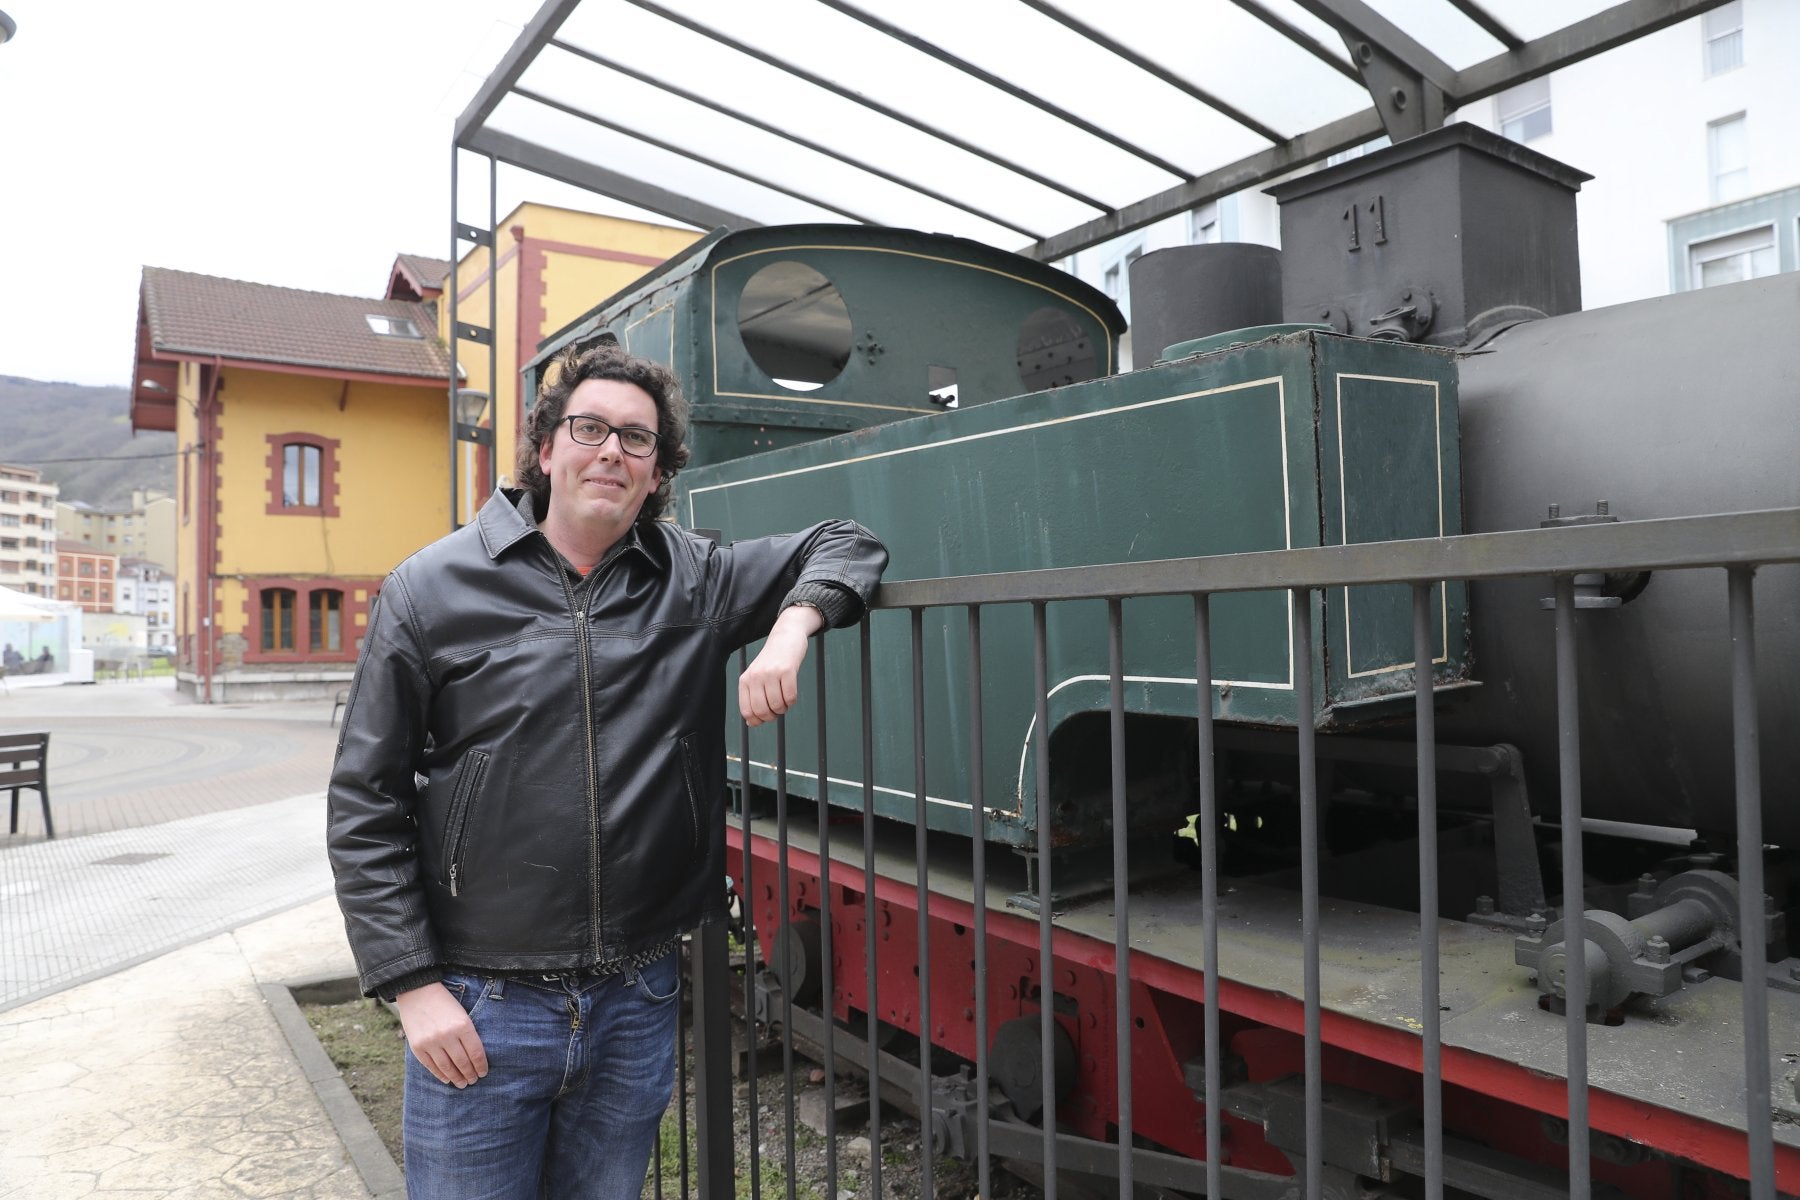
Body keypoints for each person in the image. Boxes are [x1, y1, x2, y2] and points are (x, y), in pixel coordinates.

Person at [327, 342, 886, 1199]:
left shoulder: (694, 580)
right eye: (590, 428)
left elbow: (847, 540)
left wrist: (791, 627)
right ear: (546, 448)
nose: (612, 451)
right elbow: (366, 803)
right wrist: (412, 988)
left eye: (637, 439)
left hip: (635, 999)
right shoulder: (429, 589)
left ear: (658, 472)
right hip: (480, 1005)